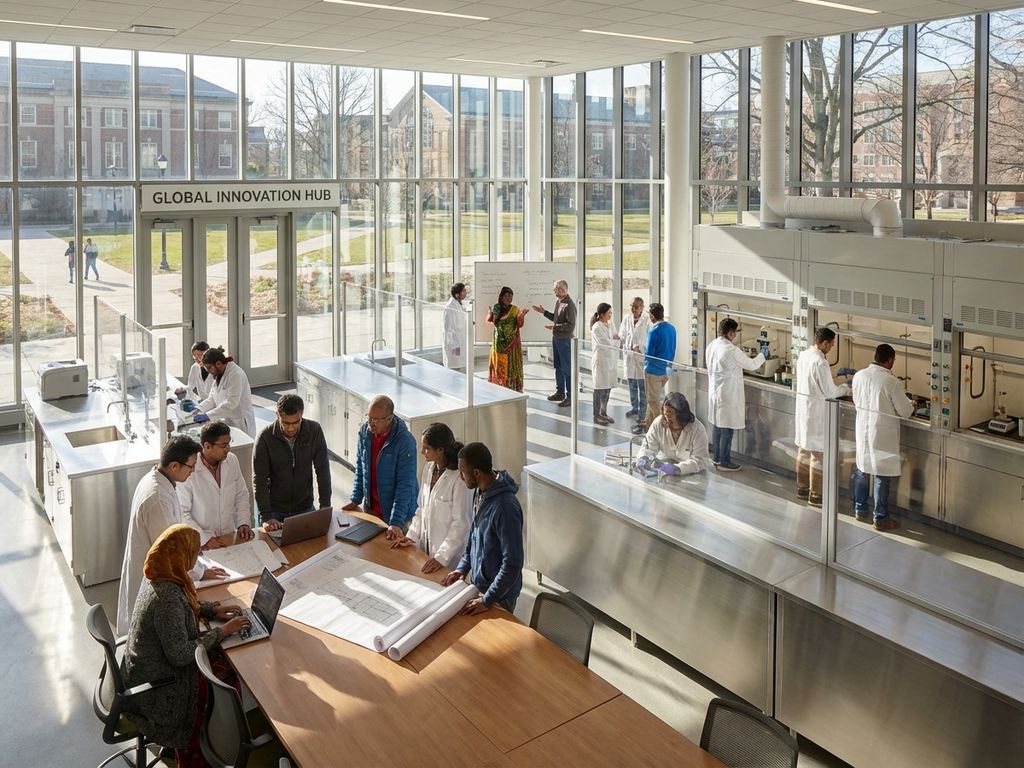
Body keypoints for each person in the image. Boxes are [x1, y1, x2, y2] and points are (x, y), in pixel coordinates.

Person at [121, 524, 249, 768]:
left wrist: (211, 610)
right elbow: (181, 655)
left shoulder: (160, 574)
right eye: (194, 551)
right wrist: (223, 631)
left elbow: (182, 611)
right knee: (227, 680)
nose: (198, 555)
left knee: (222, 664)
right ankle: (209, 751)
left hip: (147, 671)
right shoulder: (167, 597)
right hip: (158, 691)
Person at [116, 436, 228, 637]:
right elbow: (171, 553)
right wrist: (201, 571)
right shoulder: (158, 499)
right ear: (175, 465)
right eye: (190, 467)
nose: (193, 472)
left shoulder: (160, 480)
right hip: (155, 583)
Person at [441, 442, 523, 615]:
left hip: (499, 597)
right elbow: (474, 535)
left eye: (462, 472)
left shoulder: (505, 508)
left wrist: (487, 599)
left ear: (477, 472)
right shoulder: (480, 493)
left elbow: (513, 563)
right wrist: (462, 568)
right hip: (479, 587)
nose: (461, 478)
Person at [392, 423, 472, 574]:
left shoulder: (458, 479)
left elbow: (461, 524)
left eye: (426, 448)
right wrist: (411, 536)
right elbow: (422, 508)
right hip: (426, 551)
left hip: (449, 558)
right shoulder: (429, 469)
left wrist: (441, 557)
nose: (422, 451)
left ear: (440, 450)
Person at [852, 344, 914, 531]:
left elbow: (856, 400)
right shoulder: (890, 381)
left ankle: (860, 509)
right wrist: (911, 403)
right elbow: (906, 412)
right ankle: (880, 518)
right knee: (882, 475)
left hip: (863, 429)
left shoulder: (859, 375)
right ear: (890, 360)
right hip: (881, 434)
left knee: (862, 470)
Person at [342, 395, 418, 540]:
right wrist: (355, 499)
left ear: (389, 418)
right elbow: (361, 467)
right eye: (369, 418)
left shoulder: (405, 441)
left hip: (397, 515)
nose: (371, 423)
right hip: (372, 509)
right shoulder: (365, 432)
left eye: (375, 420)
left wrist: (396, 521)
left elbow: (406, 485)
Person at [254, 393, 331, 528]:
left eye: (296, 422)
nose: (290, 428)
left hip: (305, 508)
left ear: (302, 414)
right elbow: (260, 480)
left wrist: (325, 505)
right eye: (285, 423)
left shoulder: (314, 431)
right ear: (277, 415)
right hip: (274, 512)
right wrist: (266, 516)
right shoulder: (264, 438)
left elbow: (322, 469)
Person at [794, 327, 850, 507]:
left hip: (804, 410)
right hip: (816, 413)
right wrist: (847, 387)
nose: (832, 347)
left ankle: (802, 489)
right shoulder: (820, 362)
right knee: (817, 454)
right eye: (831, 344)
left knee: (803, 450)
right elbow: (830, 391)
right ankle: (816, 495)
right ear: (824, 342)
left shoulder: (803, 355)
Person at [177, 420, 253, 550]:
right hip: (203, 543)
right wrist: (204, 539)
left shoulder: (232, 460)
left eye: (229, 443)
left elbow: (241, 495)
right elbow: (182, 513)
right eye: (223, 445)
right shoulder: (190, 469)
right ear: (207, 446)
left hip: (229, 536)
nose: (228, 449)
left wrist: (243, 523)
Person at [705, 318, 765, 472]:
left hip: (716, 392)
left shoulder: (712, 345)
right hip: (727, 395)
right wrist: (763, 355)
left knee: (718, 427)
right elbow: (752, 365)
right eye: (736, 332)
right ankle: (725, 462)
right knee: (727, 430)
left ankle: (717, 458)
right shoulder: (731, 350)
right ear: (731, 333)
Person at [635, 392, 712, 476]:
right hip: (665, 470)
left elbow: (700, 460)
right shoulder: (659, 423)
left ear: (681, 415)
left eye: (671, 413)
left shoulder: (697, 429)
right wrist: (643, 457)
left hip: (693, 474)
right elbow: (648, 447)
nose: (667, 418)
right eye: (665, 413)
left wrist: (678, 469)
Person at [532, 279, 577, 408]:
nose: (554, 291)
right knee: (558, 366)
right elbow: (556, 318)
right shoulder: (559, 302)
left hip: (565, 341)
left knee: (567, 369)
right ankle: (560, 392)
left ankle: (570, 396)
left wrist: (555, 327)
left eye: (556, 289)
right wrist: (544, 312)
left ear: (563, 290)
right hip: (556, 339)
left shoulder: (569, 305)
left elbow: (571, 325)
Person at [194, 347, 257, 437]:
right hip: (227, 419)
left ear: (218, 363)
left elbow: (231, 403)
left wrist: (208, 415)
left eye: (209, 368)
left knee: (242, 447)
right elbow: (212, 398)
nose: (208, 371)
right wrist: (199, 409)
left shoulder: (235, 374)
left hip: (240, 421)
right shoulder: (218, 374)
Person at [638, 303, 677, 433]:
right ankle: (648, 425)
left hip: (653, 370)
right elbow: (672, 349)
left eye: (649, 314)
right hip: (666, 369)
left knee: (653, 400)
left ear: (652, 316)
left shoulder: (654, 330)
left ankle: (664, 427)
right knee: (653, 397)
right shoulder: (672, 328)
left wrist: (639, 350)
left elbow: (649, 353)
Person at [486, 286, 529, 392]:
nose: (509, 298)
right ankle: (499, 387)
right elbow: (489, 321)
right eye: (506, 296)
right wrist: (490, 313)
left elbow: (520, 324)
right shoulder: (496, 307)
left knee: (511, 367)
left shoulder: (515, 309)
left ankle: (511, 389)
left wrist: (522, 315)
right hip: (498, 344)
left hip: (512, 345)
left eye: (511, 296)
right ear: (501, 297)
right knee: (499, 367)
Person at [618, 296, 649, 422]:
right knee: (631, 386)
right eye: (631, 306)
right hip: (630, 357)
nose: (633, 309)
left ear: (642, 307)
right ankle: (634, 408)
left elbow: (649, 338)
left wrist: (641, 347)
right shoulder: (627, 318)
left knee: (642, 388)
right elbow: (622, 333)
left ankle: (642, 414)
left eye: (636, 307)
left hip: (641, 356)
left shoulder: (647, 319)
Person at [590, 302, 617, 425]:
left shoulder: (610, 324)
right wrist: (615, 342)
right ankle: (596, 415)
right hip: (600, 360)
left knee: (607, 388)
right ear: (601, 314)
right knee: (599, 388)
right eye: (608, 313)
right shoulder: (596, 327)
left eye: (611, 313)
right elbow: (606, 342)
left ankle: (604, 413)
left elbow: (616, 336)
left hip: (609, 360)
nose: (610, 315)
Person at [443, 282, 469, 370]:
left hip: (459, 339)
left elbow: (460, 320)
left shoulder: (458, 304)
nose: (466, 293)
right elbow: (448, 327)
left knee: (459, 364)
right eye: (464, 291)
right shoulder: (450, 307)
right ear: (457, 294)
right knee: (455, 364)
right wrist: (453, 343)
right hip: (454, 342)